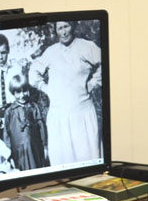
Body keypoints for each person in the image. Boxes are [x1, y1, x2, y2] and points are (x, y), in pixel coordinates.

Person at [29, 21, 102, 165]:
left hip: (82, 114)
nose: (64, 32)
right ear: (56, 31)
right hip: (59, 116)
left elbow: (107, 62)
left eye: (66, 27)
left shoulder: (86, 46)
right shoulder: (51, 52)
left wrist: (93, 82)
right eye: (60, 28)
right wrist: (46, 88)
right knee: (63, 162)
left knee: (87, 160)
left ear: (72, 26)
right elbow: (33, 73)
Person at [4, 74, 48, 171]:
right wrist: (8, 153)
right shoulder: (10, 111)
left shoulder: (33, 107)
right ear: (13, 93)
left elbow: (41, 127)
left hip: (34, 147)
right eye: (18, 92)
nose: (22, 95)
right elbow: (7, 134)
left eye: (24, 91)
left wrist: (45, 146)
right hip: (18, 151)